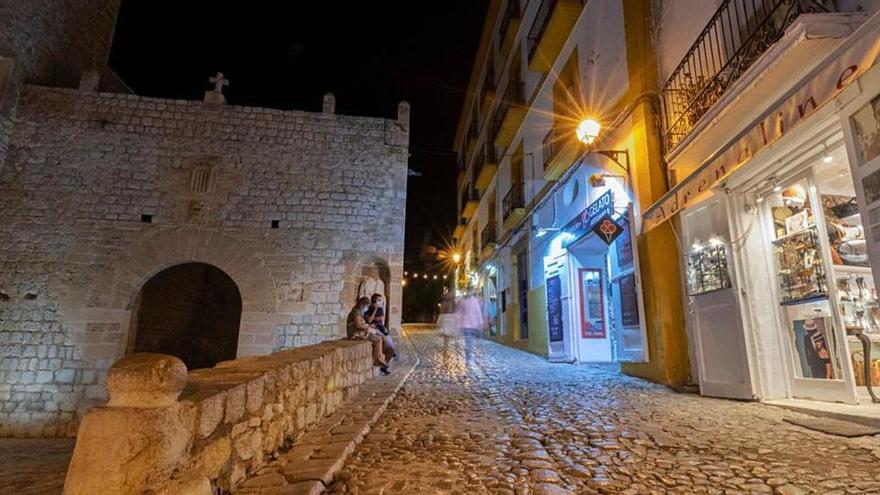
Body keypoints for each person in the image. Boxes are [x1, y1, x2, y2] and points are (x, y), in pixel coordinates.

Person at [347, 297, 390, 375]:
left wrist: (368, 326)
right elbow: (358, 325)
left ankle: (380, 357)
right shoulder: (356, 312)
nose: (367, 308)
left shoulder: (359, 312)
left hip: (360, 332)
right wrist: (368, 327)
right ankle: (378, 358)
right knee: (378, 339)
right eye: (366, 306)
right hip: (355, 334)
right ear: (362, 305)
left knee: (379, 337)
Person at [365, 293, 396, 361]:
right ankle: (386, 352)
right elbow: (369, 320)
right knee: (382, 338)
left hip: (381, 327)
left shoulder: (380, 309)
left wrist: (374, 318)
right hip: (373, 328)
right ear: (374, 300)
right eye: (379, 300)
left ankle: (390, 351)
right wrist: (375, 310)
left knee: (388, 336)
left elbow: (381, 318)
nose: (380, 302)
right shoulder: (368, 309)